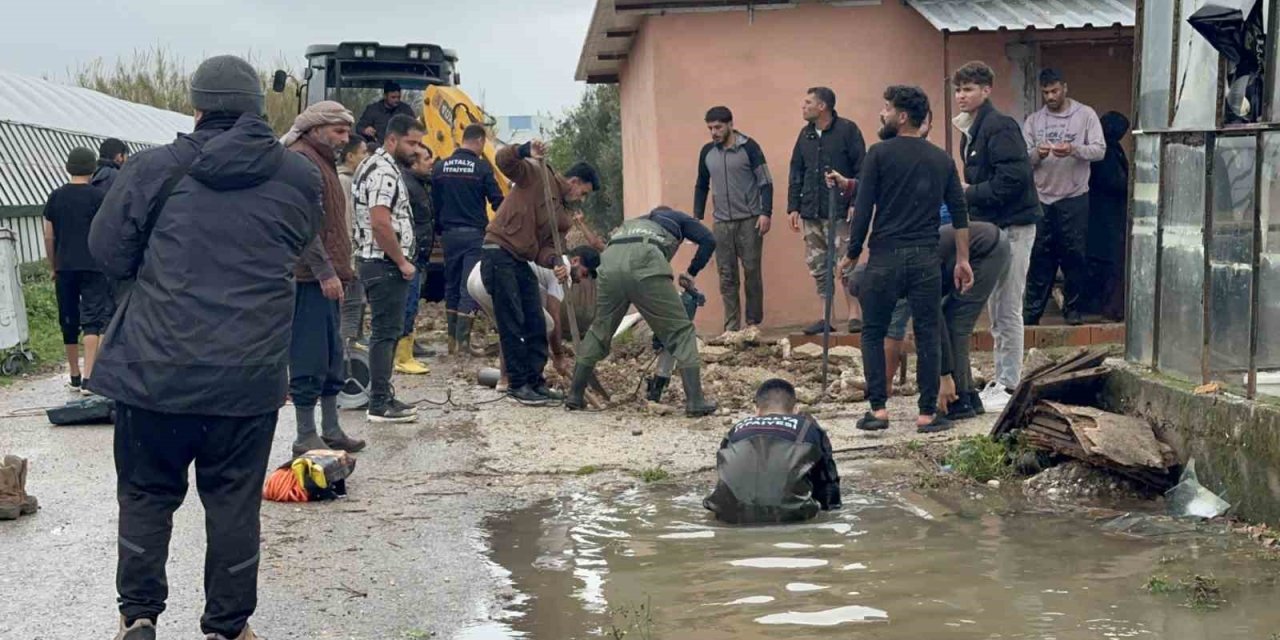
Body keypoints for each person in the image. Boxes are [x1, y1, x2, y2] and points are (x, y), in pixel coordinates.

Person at [89, 54, 325, 640]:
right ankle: (228, 626)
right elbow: (297, 245)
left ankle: (138, 616)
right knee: (233, 503)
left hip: (155, 371)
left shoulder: (149, 171)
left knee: (145, 493)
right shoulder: (299, 178)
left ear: (195, 108)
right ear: (256, 108)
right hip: (247, 377)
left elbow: (109, 254)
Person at [836, 85, 972, 434]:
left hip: (885, 258)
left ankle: (878, 411)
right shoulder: (941, 159)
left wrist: (852, 254)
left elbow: (864, 209)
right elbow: (959, 213)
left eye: (886, 108)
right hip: (926, 259)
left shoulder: (878, 155)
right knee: (927, 333)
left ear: (902, 116)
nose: (882, 114)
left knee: (873, 332)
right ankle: (927, 415)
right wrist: (962, 259)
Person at [565, 206, 719, 417]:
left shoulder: (636, 222)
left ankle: (575, 395)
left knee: (600, 328)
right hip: (645, 259)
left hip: (610, 260)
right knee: (681, 331)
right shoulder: (681, 220)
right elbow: (709, 240)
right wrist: (691, 272)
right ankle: (695, 401)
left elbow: (602, 246)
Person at [951, 60, 1041, 412]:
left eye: (969, 89)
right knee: (995, 306)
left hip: (1014, 226)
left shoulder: (999, 126)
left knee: (1007, 306)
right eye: (958, 89)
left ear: (986, 90)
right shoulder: (971, 129)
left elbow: (1013, 179)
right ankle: (1002, 378)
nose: (961, 95)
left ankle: (1009, 383)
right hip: (993, 228)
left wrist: (967, 192)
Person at [281, 101, 367, 456]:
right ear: (316, 129)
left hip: (328, 275)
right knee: (309, 354)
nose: (345, 138)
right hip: (308, 278)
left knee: (332, 354)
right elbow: (304, 227)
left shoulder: (323, 160)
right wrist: (326, 272)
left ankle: (330, 429)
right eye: (338, 131)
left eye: (347, 132)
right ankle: (305, 433)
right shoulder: (303, 161)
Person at [483, 139, 598, 405]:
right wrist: (524, 151)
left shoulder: (561, 216)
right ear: (575, 181)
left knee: (536, 319)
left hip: (519, 260)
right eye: (584, 193)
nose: (582, 199)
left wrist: (555, 260)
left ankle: (534, 381)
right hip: (498, 251)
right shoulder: (537, 173)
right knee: (512, 320)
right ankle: (517, 384)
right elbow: (504, 161)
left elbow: (544, 250)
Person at [352, 114, 425, 423]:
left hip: (375, 261)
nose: (417, 151)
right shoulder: (384, 172)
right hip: (383, 263)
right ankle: (379, 403)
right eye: (411, 143)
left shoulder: (378, 166)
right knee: (385, 332)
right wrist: (402, 261)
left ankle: (383, 396)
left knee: (387, 330)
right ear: (392, 140)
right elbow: (381, 222)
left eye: (419, 144)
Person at [1022, 68, 1106, 327]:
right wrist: (1038, 153)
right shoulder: (1034, 121)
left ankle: (1073, 310)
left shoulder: (1085, 115)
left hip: (1074, 196)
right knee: (1039, 255)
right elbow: (1023, 160)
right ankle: (1032, 313)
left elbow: (1100, 150)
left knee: (1074, 255)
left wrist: (1073, 149)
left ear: (1065, 88)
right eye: (1046, 92)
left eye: (1055, 91)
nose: (1050, 96)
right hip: (1042, 197)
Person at [703, 378, 841, 524]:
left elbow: (725, 476)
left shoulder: (736, 429)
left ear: (757, 410)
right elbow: (828, 487)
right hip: (792, 517)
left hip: (730, 516)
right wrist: (830, 515)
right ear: (795, 410)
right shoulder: (808, 427)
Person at [786, 87, 867, 335]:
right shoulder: (805, 135)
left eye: (808, 102)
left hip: (840, 210)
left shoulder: (848, 130)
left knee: (845, 262)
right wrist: (793, 207)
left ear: (822, 106)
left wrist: (855, 202)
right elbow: (796, 170)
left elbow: (862, 169)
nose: (803, 106)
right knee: (819, 266)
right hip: (811, 210)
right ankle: (825, 317)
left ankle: (854, 314)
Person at [468, 246, 600, 388]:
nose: (581, 280)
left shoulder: (551, 261)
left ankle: (505, 379)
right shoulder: (563, 270)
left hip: (477, 277)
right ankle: (531, 379)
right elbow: (554, 315)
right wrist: (558, 356)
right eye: (584, 274)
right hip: (496, 278)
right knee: (546, 324)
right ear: (575, 261)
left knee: (508, 329)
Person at [694, 106, 773, 336]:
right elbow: (701, 185)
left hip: (750, 220)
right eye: (710, 128)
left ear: (730, 124)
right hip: (721, 223)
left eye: (718, 127)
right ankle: (731, 327)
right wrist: (697, 217)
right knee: (726, 275)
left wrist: (765, 212)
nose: (714, 132)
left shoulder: (749, 147)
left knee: (751, 272)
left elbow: (765, 182)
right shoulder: (707, 152)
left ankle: (752, 324)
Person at [43, 147, 112, 393]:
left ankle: (73, 374)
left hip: (64, 266)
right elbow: (106, 232)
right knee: (94, 319)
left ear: (68, 167)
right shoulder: (99, 197)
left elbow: (49, 236)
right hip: (93, 266)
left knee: (69, 318)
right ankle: (89, 378)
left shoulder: (55, 197)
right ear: (92, 168)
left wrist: (53, 265)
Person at [433, 123, 505, 355]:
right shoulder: (482, 168)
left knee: (452, 284)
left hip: (448, 236)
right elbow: (497, 201)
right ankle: (463, 345)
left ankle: (452, 342)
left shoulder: (440, 167)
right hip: (474, 234)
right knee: (468, 286)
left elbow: (435, 202)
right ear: (481, 141)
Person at [936, 221, 1011, 420]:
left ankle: (961, 400)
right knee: (951, 318)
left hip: (988, 249)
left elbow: (930, 320)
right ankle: (970, 396)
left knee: (956, 324)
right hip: (990, 244)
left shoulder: (906, 265)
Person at [1087, 111, 1130, 321]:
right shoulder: (1105, 151)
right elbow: (1115, 182)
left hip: (1104, 213)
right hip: (1105, 214)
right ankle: (1108, 307)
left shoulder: (1110, 148)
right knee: (1110, 260)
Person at [396, 147, 435, 375]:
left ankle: (407, 352)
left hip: (419, 255)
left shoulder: (420, 184)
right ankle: (402, 357)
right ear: (413, 163)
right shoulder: (408, 186)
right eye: (427, 158)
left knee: (412, 303)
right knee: (407, 305)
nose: (431, 162)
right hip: (411, 255)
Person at [338, 137, 371, 349]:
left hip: (357, 250)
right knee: (351, 303)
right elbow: (346, 220)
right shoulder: (344, 181)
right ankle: (346, 347)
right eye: (363, 152)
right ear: (350, 156)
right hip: (349, 252)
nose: (366, 157)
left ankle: (355, 339)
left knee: (359, 300)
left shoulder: (356, 180)